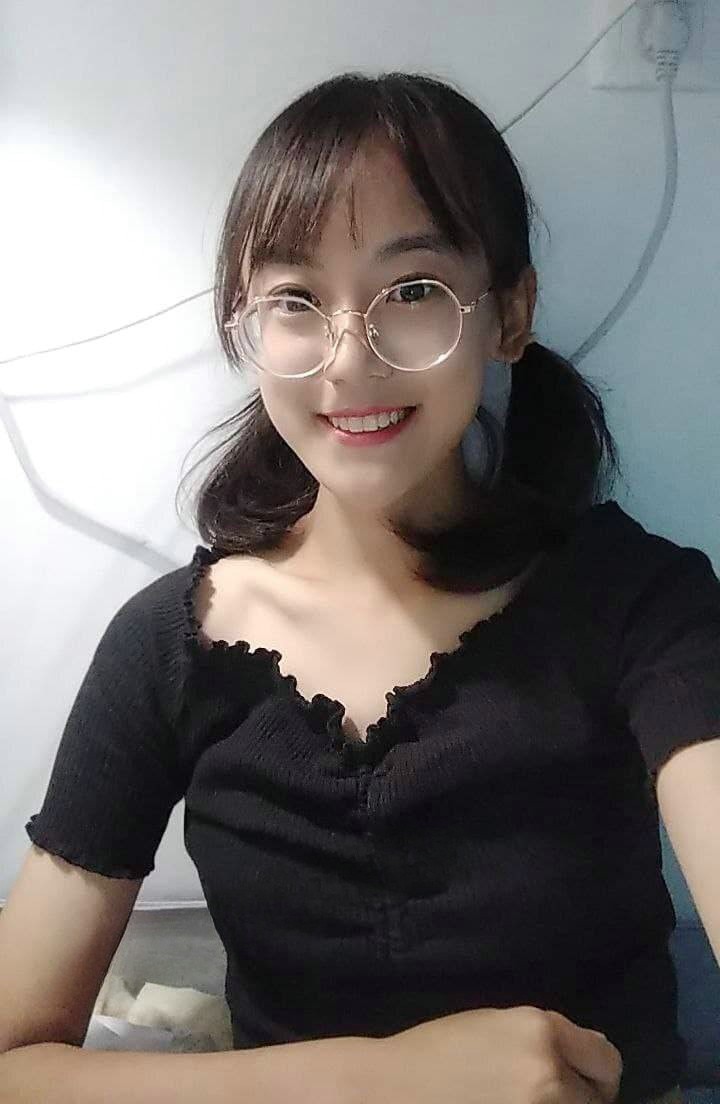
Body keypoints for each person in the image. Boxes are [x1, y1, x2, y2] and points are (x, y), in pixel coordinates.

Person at [2, 71, 717, 1104]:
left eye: (413, 291)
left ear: (509, 313)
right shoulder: (167, 646)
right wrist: (379, 1079)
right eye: (296, 300)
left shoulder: (642, 607)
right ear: (247, 328)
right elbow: (16, 1064)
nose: (347, 362)